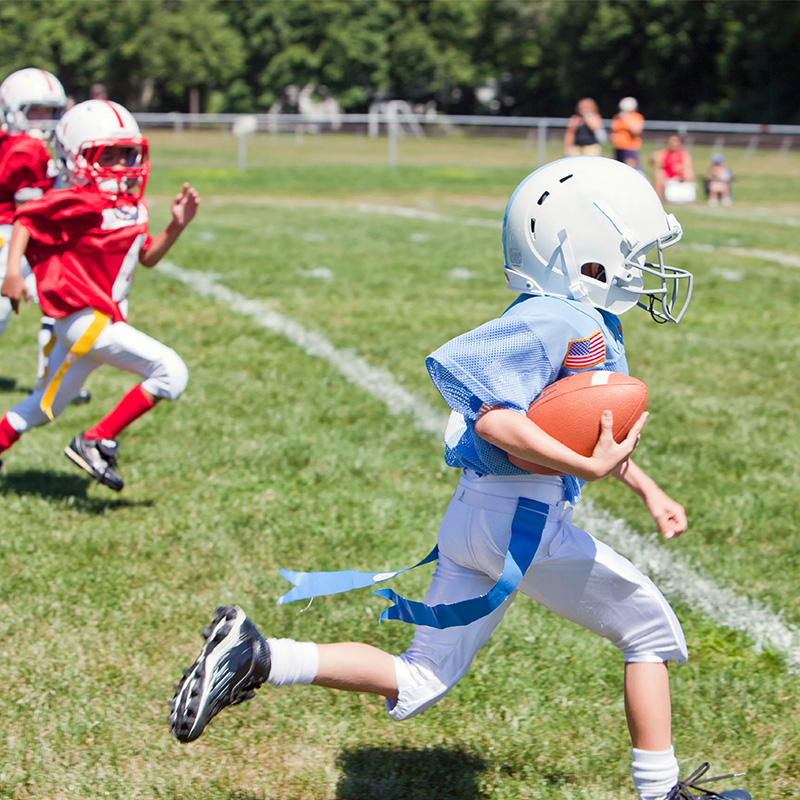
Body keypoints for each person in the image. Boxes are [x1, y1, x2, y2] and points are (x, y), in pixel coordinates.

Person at [169, 158, 749, 800]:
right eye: (634, 254)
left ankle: (257, 655)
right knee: (648, 631)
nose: (645, 270)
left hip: (478, 516)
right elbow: (496, 419)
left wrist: (646, 487)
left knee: (419, 678)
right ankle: (659, 792)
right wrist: (584, 467)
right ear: (584, 251)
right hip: (520, 525)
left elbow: (571, 430)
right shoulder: (560, 319)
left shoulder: (573, 318)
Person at [0, 99, 199, 489]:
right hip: (83, 318)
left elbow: (147, 257)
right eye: (110, 154)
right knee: (170, 371)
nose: (124, 164)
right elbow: (25, 219)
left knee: (43, 406)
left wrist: (176, 227)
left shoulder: (127, 205)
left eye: (128, 153)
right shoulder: (80, 199)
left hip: (99, 319)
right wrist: (12, 273)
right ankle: (95, 440)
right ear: (76, 157)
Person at [651, 134, 696, 204]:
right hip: (667, 176)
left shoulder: (684, 155)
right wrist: (653, 158)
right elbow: (653, 163)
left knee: (689, 174)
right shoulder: (665, 153)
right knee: (659, 174)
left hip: (680, 177)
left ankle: (689, 197)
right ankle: (658, 200)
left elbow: (687, 168)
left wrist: (680, 169)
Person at [611, 96, 645, 169]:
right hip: (618, 147)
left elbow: (636, 131)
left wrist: (627, 120)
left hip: (630, 147)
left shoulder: (637, 117)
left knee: (631, 168)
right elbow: (614, 130)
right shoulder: (617, 117)